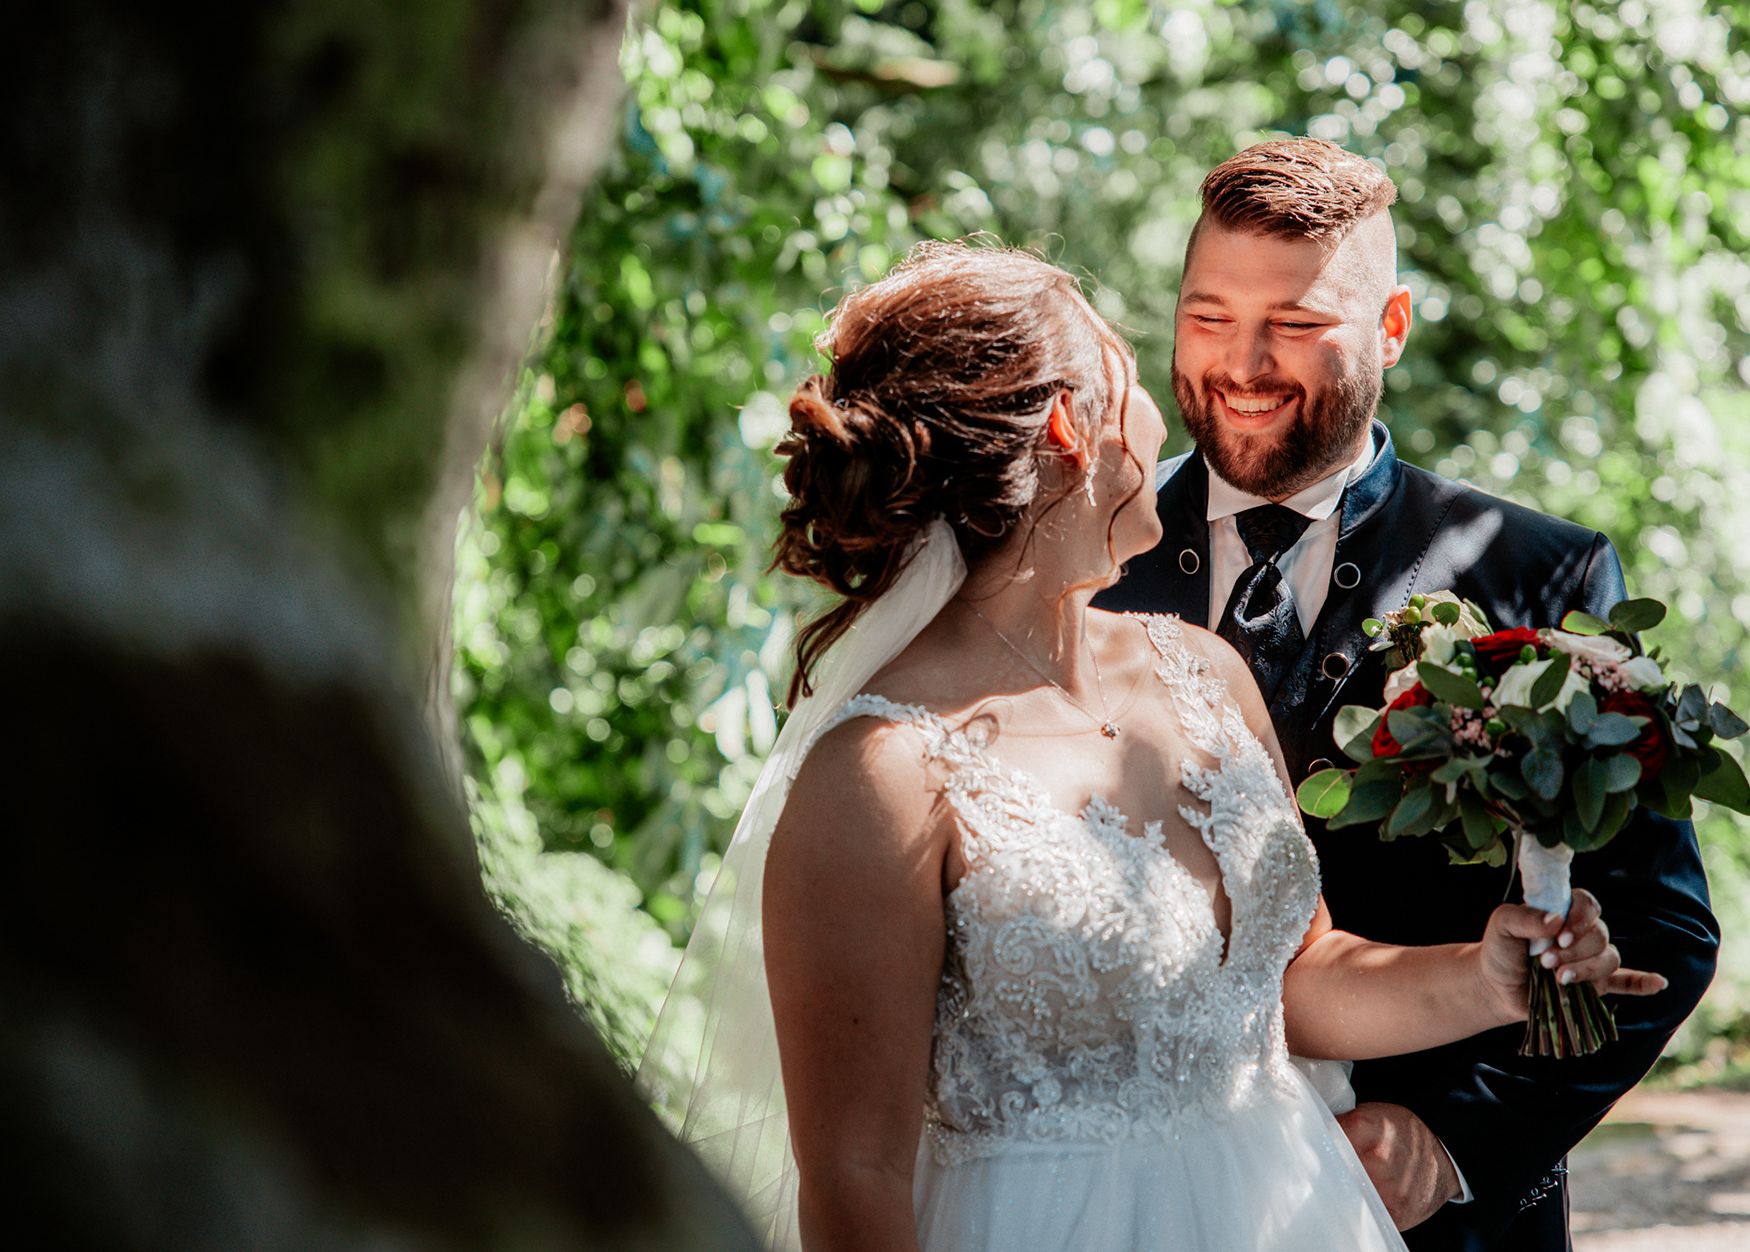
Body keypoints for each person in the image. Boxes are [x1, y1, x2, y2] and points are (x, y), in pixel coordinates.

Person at [643, 241, 1663, 1252]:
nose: (1165, 409)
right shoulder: (881, 771)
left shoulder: (1203, 674)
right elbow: (853, 1176)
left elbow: (1295, 978)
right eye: (1127, 377)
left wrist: (1482, 979)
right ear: (1068, 427)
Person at [1093, 138, 1720, 1252]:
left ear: (1392, 326)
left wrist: (1456, 1141)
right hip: (1132, 1196)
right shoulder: (1083, 563)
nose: (1244, 362)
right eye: (1208, 314)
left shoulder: (1537, 573)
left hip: (1428, 1221)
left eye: (1295, 323)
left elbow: (1661, 924)